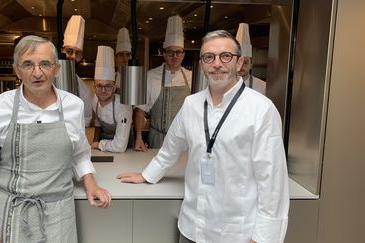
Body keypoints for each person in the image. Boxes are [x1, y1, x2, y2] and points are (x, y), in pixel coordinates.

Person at [118, 30, 289, 243]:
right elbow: (170, 148)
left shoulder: (262, 110)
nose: (217, 63)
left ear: (239, 63)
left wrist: (263, 239)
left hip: (236, 234)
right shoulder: (192, 104)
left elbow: (273, 183)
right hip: (191, 227)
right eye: (209, 57)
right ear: (201, 65)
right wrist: (147, 175)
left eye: (226, 56)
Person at [0, 35, 111, 243]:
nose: (37, 73)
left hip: (60, 215)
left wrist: (91, 184)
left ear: (56, 69)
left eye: (45, 64)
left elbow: (79, 154)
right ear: (17, 70)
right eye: (28, 64)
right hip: (11, 213)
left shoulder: (73, 106)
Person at [134, 15, 192, 151]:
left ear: (183, 54)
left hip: (183, 139)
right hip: (157, 138)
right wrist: (138, 137)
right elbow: (140, 110)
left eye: (178, 52)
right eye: (170, 52)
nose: (174, 56)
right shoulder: (150, 76)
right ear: (164, 54)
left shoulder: (192, 77)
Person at [91, 45, 133, 153]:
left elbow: (120, 147)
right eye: (99, 86)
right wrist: (95, 141)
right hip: (103, 146)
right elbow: (98, 121)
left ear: (114, 88)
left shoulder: (123, 108)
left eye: (108, 86)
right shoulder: (94, 100)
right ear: (94, 86)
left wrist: (99, 144)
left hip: (126, 147)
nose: (103, 90)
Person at [62, 15, 93, 126]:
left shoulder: (84, 90)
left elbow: (86, 120)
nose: (73, 57)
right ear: (62, 51)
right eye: (69, 51)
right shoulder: (45, 79)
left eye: (78, 53)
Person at [236, 23, 266, 95]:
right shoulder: (224, 84)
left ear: (251, 65)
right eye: (238, 62)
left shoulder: (263, 86)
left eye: (245, 62)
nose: (241, 66)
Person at [114, 27, 132, 93]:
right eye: (121, 55)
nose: (125, 58)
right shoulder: (110, 79)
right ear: (115, 58)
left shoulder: (136, 79)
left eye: (128, 55)